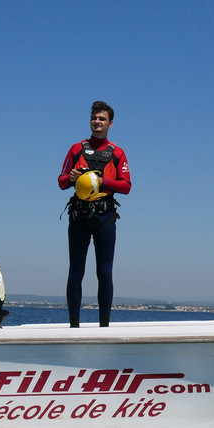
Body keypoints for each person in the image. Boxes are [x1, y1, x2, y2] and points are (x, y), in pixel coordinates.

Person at [58, 100, 131, 327]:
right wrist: (71, 178)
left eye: (102, 119)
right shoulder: (76, 149)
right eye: (94, 118)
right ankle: (73, 326)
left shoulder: (117, 153)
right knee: (76, 272)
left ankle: (104, 326)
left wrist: (103, 180)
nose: (97, 122)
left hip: (105, 219)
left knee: (105, 273)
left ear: (110, 123)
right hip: (79, 218)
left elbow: (126, 186)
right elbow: (61, 182)